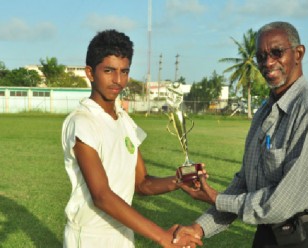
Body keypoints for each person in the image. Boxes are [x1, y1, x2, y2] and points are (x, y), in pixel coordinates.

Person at [175, 21, 308, 248]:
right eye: (261, 56)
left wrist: (217, 198)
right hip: (270, 230)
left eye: (277, 52)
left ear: (298, 53)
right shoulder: (265, 112)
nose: (268, 62)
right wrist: (199, 228)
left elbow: (285, 201)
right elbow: (245, 182)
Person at [61, 29, 202, 248]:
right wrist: (162, 236)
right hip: (91, 237)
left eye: (124, 71)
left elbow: (142, 183)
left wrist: (180, 181)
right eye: (109, 71)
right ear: (90, 73)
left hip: (124, 231)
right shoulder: (82, 122)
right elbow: (102, 196)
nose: (118, 80)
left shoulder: (125, 121)